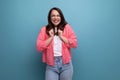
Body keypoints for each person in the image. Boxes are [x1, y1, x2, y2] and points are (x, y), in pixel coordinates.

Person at [36, 7, 78, 80]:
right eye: (53, 15)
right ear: (50, 17)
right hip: (51, 65)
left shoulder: (67, 28)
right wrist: (50, 37)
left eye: (58, 15)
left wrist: (61, 36)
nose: (56, 18)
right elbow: (39, 47)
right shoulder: (44, 29)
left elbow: (74, 44)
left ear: (61, 17)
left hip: (66, 65)